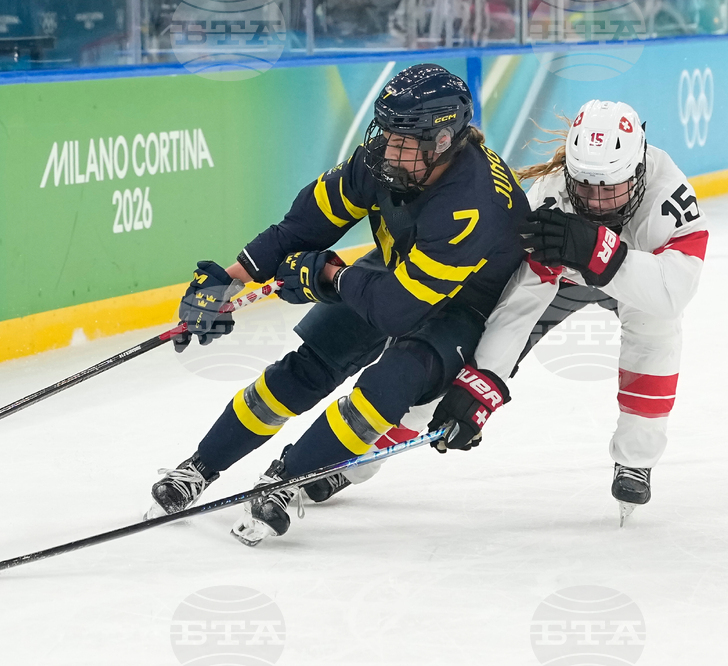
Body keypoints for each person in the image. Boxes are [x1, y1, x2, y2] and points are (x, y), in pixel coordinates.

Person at [148, 64, 529, 546]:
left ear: (443, 141)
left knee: (387, 387)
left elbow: (397, 312)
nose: (389, 150)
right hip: (401, 270)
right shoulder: (384, 159)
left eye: (404, 141)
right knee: (309, 366)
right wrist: (227, 282)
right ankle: (200, 466)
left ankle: (288, 478)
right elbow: (300, 229)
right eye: (386, 132)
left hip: (466, 306)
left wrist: (327, 276)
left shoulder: (470, 204)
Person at [424, 99, 708, 525]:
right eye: (586, 186)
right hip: (567, 281)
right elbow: (522, 303)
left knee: (657, 329)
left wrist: (600, 253)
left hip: (638, 281)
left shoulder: (669, 195)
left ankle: (636, 456)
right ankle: (370, 448)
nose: (596, 203)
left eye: (609, 187)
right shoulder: (552, 196)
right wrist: (483, 380)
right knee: (463, 357)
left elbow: (672, 293)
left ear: (639, 168)